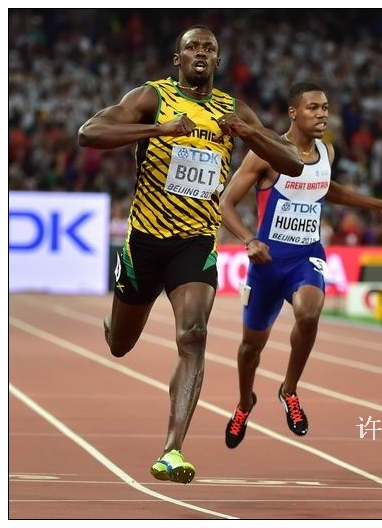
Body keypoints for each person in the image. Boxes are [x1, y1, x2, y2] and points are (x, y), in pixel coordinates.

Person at [77, 25, 304, 484]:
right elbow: (89, 132)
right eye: (192, 47)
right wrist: (158, 129)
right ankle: (114, 323)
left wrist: (248, 132)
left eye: (209, 48)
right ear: (177, 58)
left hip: (195, 241)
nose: (200, 52)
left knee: (194, 334)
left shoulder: (233, 109)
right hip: (145, 239)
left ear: (218, 60)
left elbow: (293, 162)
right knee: (120, 345)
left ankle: (172, 450)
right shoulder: (152, 96)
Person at [220, 82, 382, 447]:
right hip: (267, 261)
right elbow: (225, 203)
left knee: (309, 313)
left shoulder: (327, 151)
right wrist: (249, 239)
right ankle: (245, 403)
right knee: (250, 348)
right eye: (313, 108)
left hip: (306, 256)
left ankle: (289, 390)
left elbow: (328, 188)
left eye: (325, 107)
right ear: (293, 113)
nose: (322, 114)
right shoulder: (266, 154)